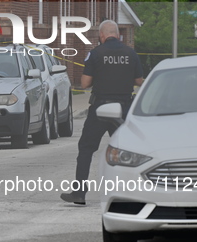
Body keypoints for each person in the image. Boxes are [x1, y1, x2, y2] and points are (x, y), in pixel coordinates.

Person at [61, 19, 144, 205]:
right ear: (118, 35)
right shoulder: (131, 54)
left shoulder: (95, 54)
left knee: (86, 149)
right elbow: (140, 81)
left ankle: (79, 193)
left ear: (101, 35)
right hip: (123, 108)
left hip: (100, 109)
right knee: (128, 151)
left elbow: (84, 84)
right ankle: (130, 194)